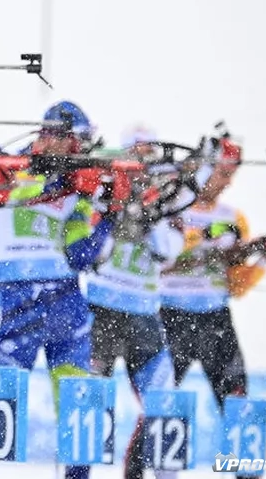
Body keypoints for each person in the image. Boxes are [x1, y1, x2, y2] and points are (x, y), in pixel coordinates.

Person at [0, 101, 115, 479]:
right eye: (76, 141)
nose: (79, 149)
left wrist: (106, 207)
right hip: (20, 299)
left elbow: (81, 254)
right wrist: (62, 183)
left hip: (65, 300)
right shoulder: (11, 168)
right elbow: (5, 195)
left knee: (79, 407)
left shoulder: (76, 179)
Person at [159, 136, 266, 479]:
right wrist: (205, 239)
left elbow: (236, 286)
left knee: (239, 404)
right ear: (204, 170)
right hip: (170, 317)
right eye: (223, 174)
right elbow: (161, 262)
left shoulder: (233, 217)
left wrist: (265, 255)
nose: (227, 183)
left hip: (215, 321)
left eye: (231, 175)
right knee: (158, 405)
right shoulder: (170, 207)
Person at [84, 127, 185, 479]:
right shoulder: (104, 190)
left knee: (165, 405)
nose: (142, 168)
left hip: (143, 315)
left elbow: (168, 252)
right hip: (100, 311)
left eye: (148, 159)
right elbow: (90, 247)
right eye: (135, 158)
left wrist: (151, 213)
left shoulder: (168, 200)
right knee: (87, 406)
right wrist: (117, 206)